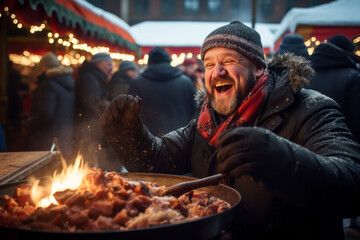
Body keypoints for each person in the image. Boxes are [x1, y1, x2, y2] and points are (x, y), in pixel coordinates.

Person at [100, 21, 360, 240]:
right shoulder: (207, 120)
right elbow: (161, 161)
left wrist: (283, 161)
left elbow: (352, 181)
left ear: (259, 67)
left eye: (229, 60)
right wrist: (130, 135)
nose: (217, 71)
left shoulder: (311, 108)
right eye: (210, 64)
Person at [127, 47, 197, 136]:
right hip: (180, 140)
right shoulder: (186, 82)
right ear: (168, 61)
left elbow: (130, 116)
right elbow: (195, 113)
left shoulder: (137, 83)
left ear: (150, 62)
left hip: (147, 141)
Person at [308, 34, 360, 143]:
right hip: (345, 146)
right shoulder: (353, 77)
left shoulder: (306, 76)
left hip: (310, 143)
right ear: (349, 52)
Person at [74, 52, 119, 170]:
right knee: (89, 156)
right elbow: (92, 102)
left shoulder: (95, 76)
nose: (111, 68)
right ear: (99, 63)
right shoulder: (90, 77)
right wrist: (108, 113)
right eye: (109, 64)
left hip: (92, 123)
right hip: (88, 125)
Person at [26, 52, 74, 158]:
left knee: (45, 174)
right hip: (64, 137)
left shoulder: (48, 85)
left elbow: (45, 114)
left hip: (47, 141)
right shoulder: (67, 82)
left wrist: (30, 123)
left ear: (43, 68)